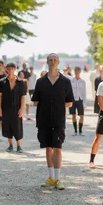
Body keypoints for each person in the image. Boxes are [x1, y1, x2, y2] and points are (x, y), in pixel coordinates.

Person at [31, 53, 74, 190]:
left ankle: (58, 179)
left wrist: (57, 104)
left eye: (55, 59)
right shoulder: (40, 81)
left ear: (58, 61)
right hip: (43, 119)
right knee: (48, 148)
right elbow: (35, 101)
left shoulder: (65, 81)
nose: (52, 61)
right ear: (47, 62)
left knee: (58, 147)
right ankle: (50, 177)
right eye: (50, 59)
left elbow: (70, 103)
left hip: (59, 119)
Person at [0, 63, 26, 153]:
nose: (10, 70)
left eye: (12, 68)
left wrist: (22, 109)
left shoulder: (20, 82)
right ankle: (10, 145)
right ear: (6, 69)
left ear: (14, 69)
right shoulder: (2, 82)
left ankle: (19, 146)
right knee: (7, 126)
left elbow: (23, 96)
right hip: (5, 108)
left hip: (17, 108)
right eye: (8, 68)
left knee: (17, 127)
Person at [69, 66, 87, 136]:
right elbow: (69, 92)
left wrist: (84, 103)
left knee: (81, 116)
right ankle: (75, 131)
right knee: (73, 115)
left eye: (78, 71)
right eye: (76, 71)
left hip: (80, 100)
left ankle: (80, 131)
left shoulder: (83, 82)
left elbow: (84, 92)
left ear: (80, 72)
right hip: (73, 100)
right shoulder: (71, 81)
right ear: (74, 72)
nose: (77, 73)